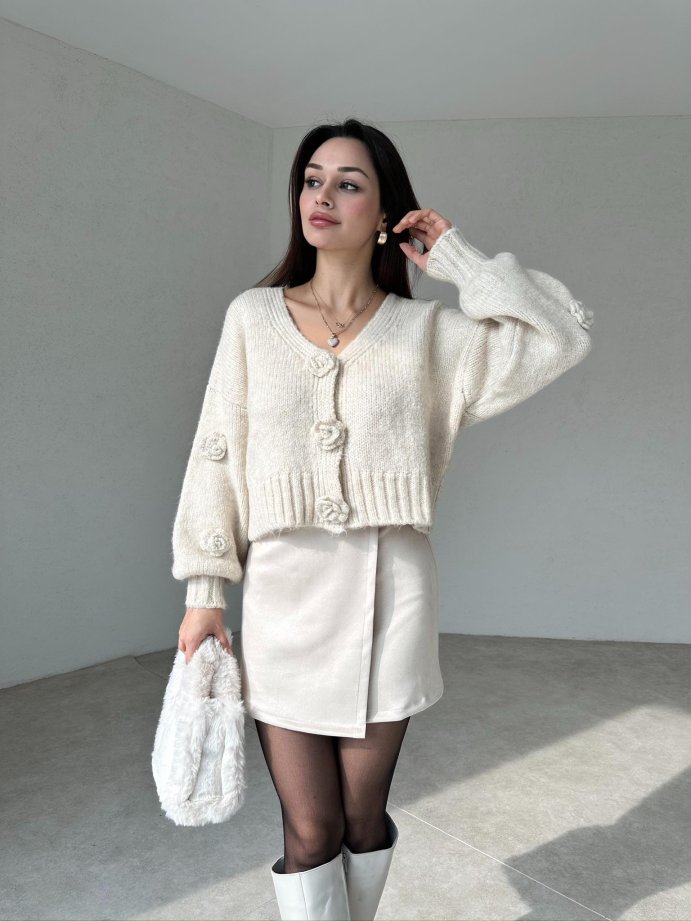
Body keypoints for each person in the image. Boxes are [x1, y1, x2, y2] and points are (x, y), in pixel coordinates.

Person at [172, 117, 594, 920]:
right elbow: (215, 452)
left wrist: (458, 260)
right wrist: (204, 588)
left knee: (361, 821)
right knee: (310, 828)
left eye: (348, 183)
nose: (322, 196)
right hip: (285, 594)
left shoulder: (428, 335)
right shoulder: (252, 317)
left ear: (384, 212)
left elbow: (561, 335)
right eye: (311, 179)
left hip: (389, 593)